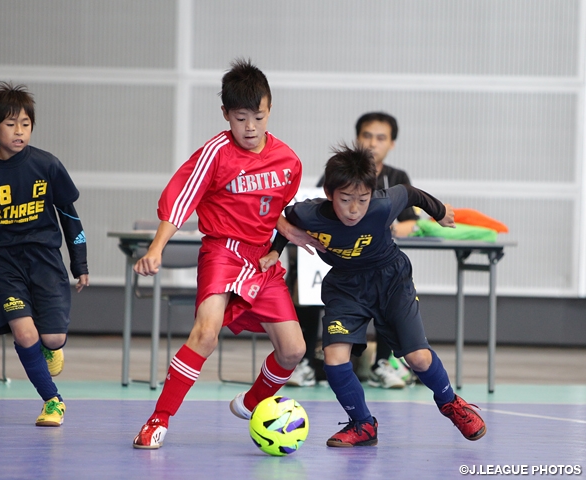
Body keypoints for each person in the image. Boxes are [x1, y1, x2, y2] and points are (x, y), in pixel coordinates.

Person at [131, 58, 322, 449]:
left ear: (269, 110)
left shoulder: (289, 162)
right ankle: (158, 419)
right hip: (222, 251)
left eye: (258, 116)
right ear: (225, 115)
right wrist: (156, 248)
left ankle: (253, 402)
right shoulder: (215, 153)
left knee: (294, 350)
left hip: (261, 260)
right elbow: (181, 200)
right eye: (240, 118)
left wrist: (286, 237)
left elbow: (275, 212)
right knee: (205, 333)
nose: (249, 127)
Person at [268, 144, 486, 447]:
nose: (354, 209)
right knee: (334, 359)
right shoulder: (310, 212)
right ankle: (363, 424)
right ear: (330, 193)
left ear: (372, 194)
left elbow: (410, 193)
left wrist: (439, 212)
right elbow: (282, 220)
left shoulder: (383, 205)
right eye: (345, 200)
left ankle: (450, 402)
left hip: (391, 280)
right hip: (345, 287)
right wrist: (275, 252)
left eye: (362, 199)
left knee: (418, 359)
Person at [0, 82, 89, 427]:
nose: (19, 131)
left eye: (25, 124)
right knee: (25, 334)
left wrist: (81, 263)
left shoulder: (48, 165)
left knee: (52, 337)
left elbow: (70, 216)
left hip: (45, 261)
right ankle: (53, 401)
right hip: (2, 265)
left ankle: (52, 346)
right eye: (11, 124)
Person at [290, 112, 418, 389]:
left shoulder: (396, 178)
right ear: (358, 138)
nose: (373, 143)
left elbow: (410, 222)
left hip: (378, 258)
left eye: (381, 137)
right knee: (301, 282)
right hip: (339, 259)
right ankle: (306, 364)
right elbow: (317, 212)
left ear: (391, 143)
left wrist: (383, 229)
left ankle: (383, 364)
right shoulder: (339, 174)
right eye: (367, 136)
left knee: (390, 295)